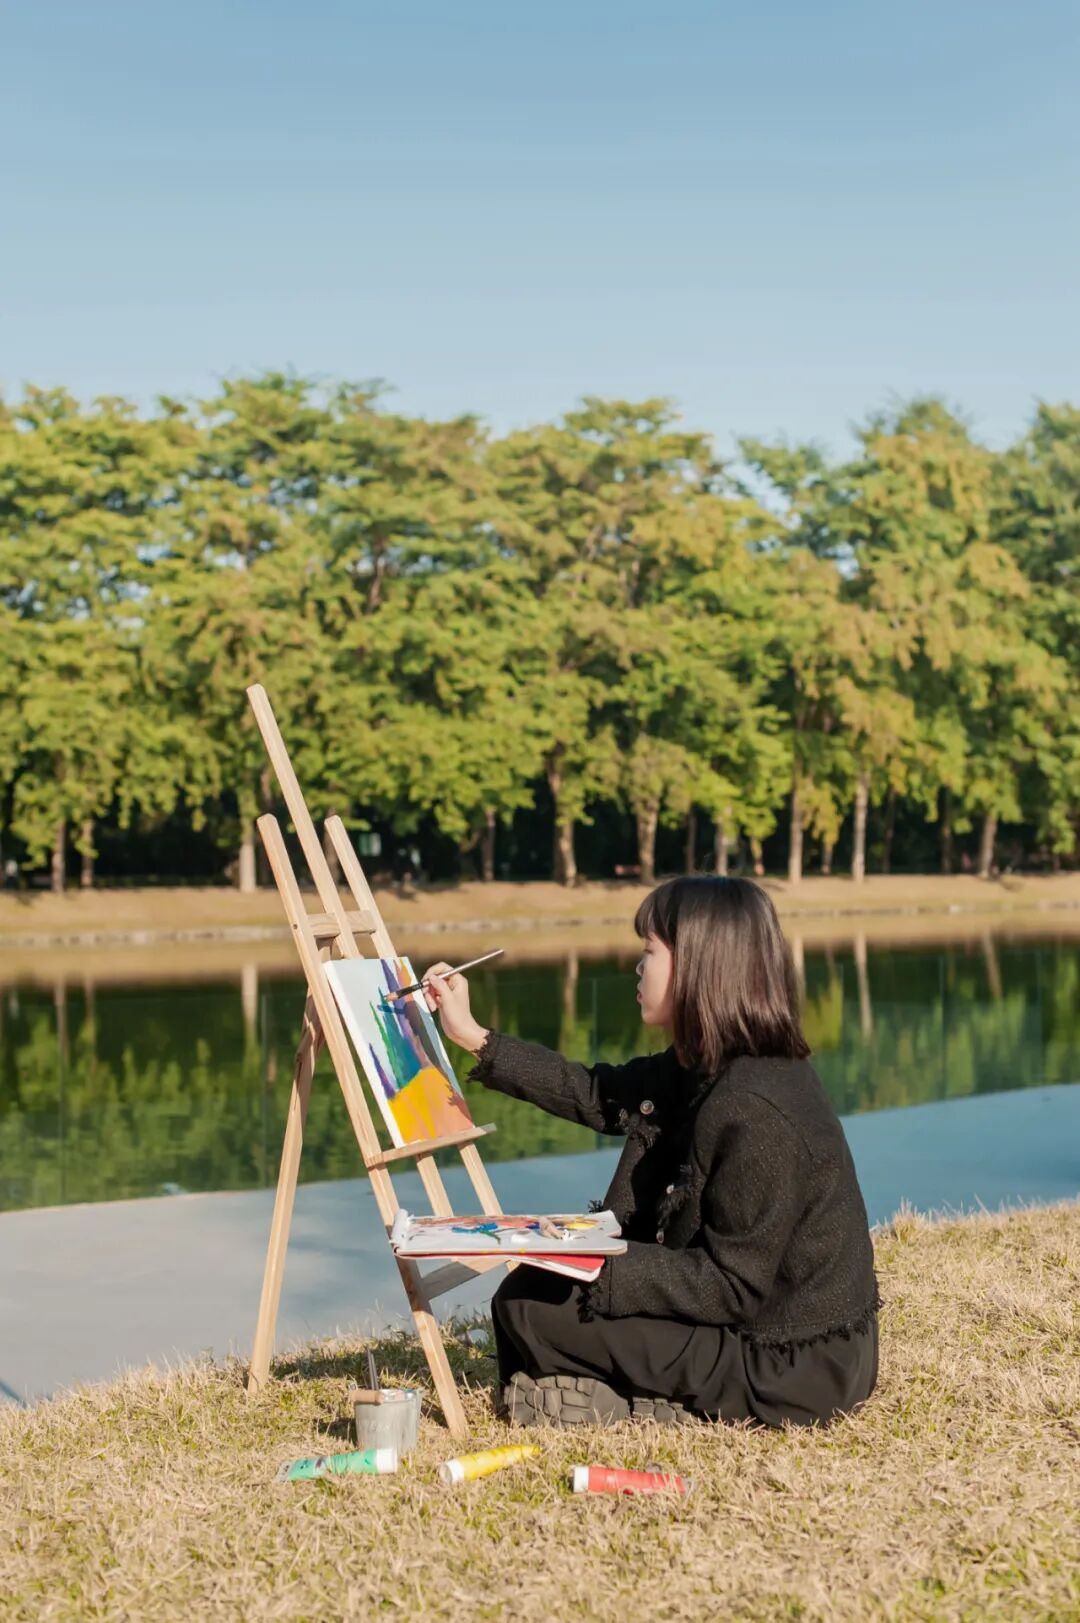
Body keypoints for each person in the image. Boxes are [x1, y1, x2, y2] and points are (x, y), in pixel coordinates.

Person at [422, 875, 880, 1431]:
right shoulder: (707, 1064)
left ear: (699, 966)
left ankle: (640, 1408)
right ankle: (600, 1393)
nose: (637, 968)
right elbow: (595, 1094)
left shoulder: (757, 1105)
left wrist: (600, 1261)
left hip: (793, 1363)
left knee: (532, 1312)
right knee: (525, 1295)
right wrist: (471, 1035)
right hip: (760, 1328)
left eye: (649, 953)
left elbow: (732, 1285)